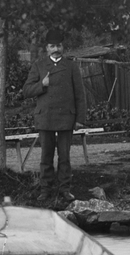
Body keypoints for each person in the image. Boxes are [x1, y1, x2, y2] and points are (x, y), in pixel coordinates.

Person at [22, 29, 87, 202]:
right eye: (52, 46)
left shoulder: (71, 66)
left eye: (58, 45)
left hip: (66, 117)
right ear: (47, 48)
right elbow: (26, 90)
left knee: (64, 156)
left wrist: (80, 119)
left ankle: (65, 189)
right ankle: (46, 189)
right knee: (46, 156)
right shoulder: (39, 65)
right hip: (46, 118)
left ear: (62, 46)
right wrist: (42, 85)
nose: (56, 49)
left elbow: (80, 94)